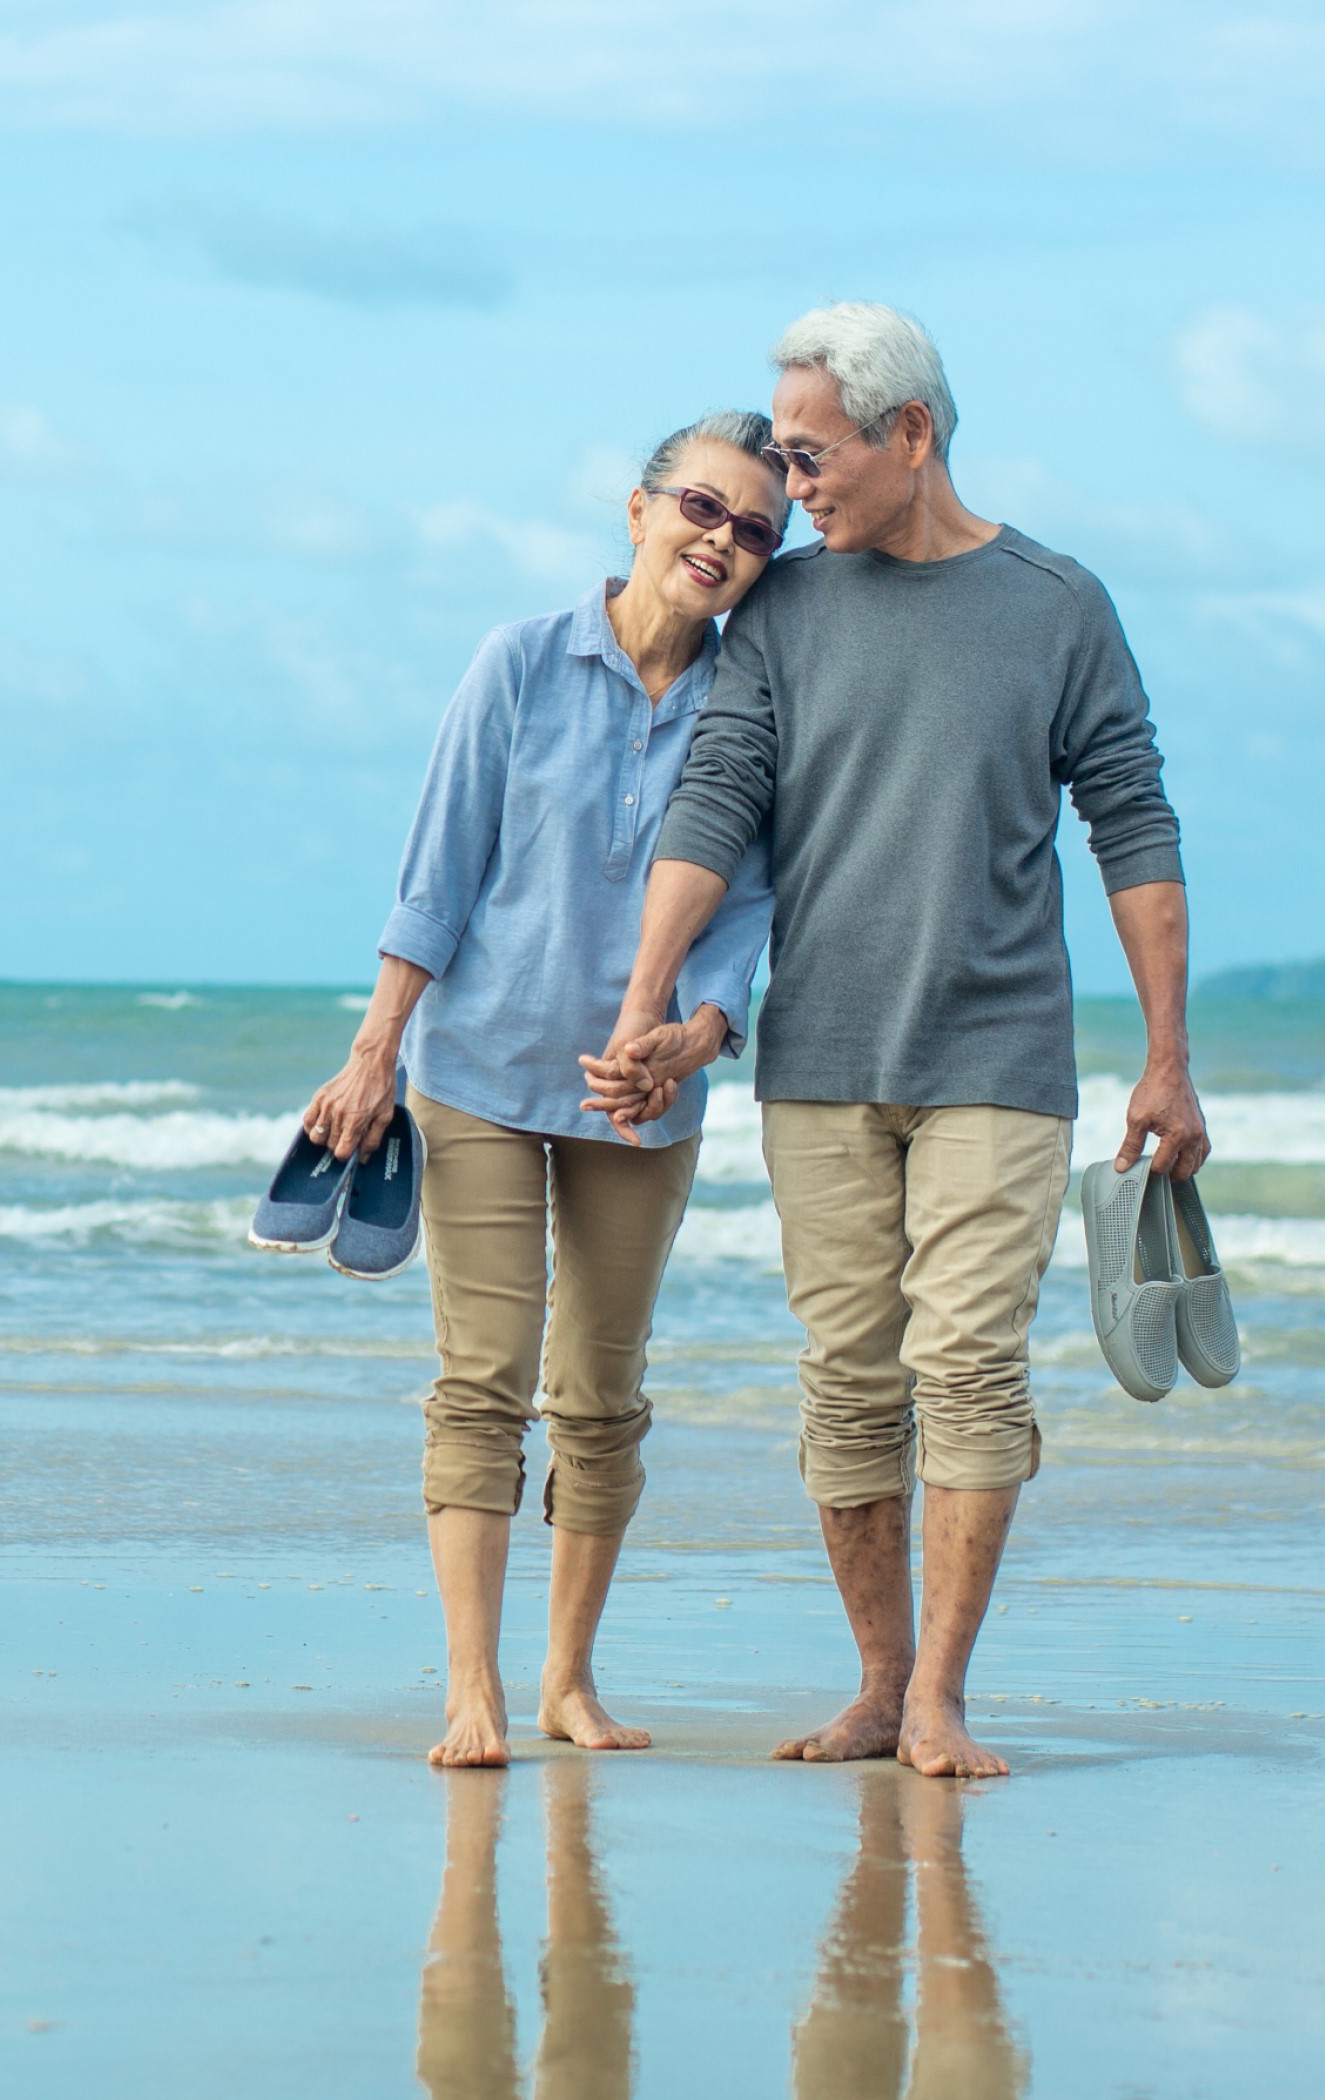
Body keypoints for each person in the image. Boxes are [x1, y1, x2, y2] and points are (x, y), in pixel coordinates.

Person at [586, 303, 1208, 1780]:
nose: (788, 491)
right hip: (818, 1063)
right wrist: (649, 1002)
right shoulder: (786, 613)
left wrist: (1169, 1058)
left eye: (811, 459)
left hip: (999, 1056)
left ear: (910, 435)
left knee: (973, 1368)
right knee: (849, 1378)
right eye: (781, 461)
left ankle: (939, 1695)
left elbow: (1134, 822)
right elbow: (719, 798)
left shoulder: (1057, 605)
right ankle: (877, 1686)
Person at [299, 410, 781, 1768]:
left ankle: (570, 1678)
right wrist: (373, 1048)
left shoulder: (753, 705)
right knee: (483, 1379)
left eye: (755, 529)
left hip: (645, 1095)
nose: (722, 540)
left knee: (603, 1390)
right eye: (702, 506)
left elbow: (748, 909)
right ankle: (475, 1687)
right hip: (482, 1073)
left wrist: (695, 1037)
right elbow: (438, 874)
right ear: (637, 510)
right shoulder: (515, 665)